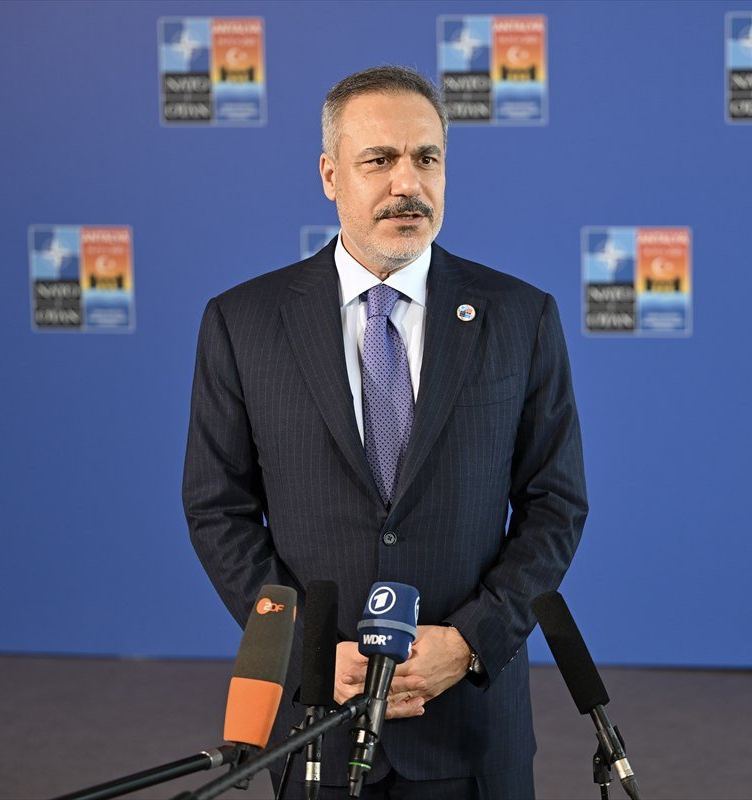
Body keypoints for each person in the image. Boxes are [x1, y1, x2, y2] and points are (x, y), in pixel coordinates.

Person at [183, 65, 587, 800]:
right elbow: (219, 509)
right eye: (379, 160)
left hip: (471, 726)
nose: (409, 183)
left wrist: (470, 642)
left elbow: (555, 504)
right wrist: (306, 648)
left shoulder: (520, 316)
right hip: (317, 725)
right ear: (330, 175)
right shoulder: (243, 323)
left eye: (427, 158)